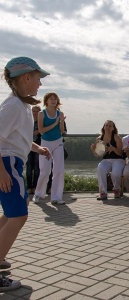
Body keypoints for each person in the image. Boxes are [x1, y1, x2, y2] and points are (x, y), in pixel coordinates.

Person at [0, 56, 50, 291]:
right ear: (26, 77)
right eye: (38, 79)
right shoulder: (13, 106)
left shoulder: (21, 106)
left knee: (12, 214)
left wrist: (36, 147)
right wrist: (2, 171)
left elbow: (15, 137)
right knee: (19, 216)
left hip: (10, 162)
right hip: (6, 164)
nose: (40, 84)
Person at [32, 92, 66, 205]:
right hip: (45, 143)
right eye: (51, 99)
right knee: (45, 171)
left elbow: (61, 130)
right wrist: (55, 122)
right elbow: (41, 131)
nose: (53, 101)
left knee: (59, 170)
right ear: (46, 101)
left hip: (58, 143)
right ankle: (38, 194)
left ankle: (56, 197)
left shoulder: (59, 113)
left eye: (55, 99)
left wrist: (60, 121)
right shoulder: (42, 113)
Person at [91, 120, 125, 200]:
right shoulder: (99, 139)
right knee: (100, 168)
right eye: (106, 125)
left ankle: (116, 189)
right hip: (106, 160)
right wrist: (93, 150)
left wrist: (113, 149)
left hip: (118, 160)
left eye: (110, 126)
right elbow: (97, 155)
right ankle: (103, 192)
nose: (108, 127)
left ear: (113, 128)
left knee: (115, 173)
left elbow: (121, 153)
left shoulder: (116, 137)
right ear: (104, 127)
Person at [26, 105, 42, 194]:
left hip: (38, 145)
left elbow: (44, 131)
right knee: (28, 168)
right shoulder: (28, 121)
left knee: (37, 167)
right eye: (33, 111)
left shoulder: (41, 122)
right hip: (28, 146)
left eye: (37, 111)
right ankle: (29, 187)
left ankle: (35, 187)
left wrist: (39, 131)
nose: (35, 113)